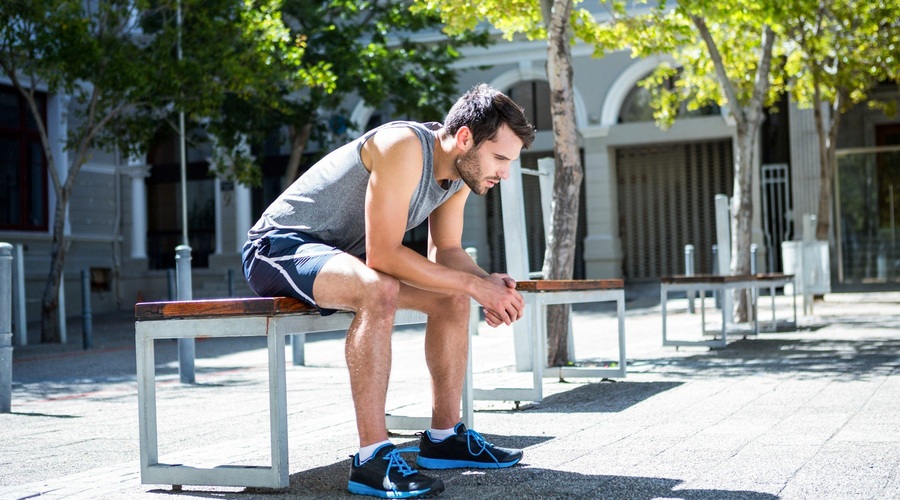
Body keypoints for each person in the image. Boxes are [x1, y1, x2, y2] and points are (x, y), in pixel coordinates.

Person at [241, 83, 535, 498]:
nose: (503, 172)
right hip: (280, 247)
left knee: (452, 298)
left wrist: (484, 283)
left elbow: (447, 251)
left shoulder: (461, 173)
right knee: (378, 289)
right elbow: (382, 255)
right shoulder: (403, 144)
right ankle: (371, 459)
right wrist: (474, 285)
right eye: (500, 158)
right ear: (465, 137)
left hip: (343, 259)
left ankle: (445, 437)